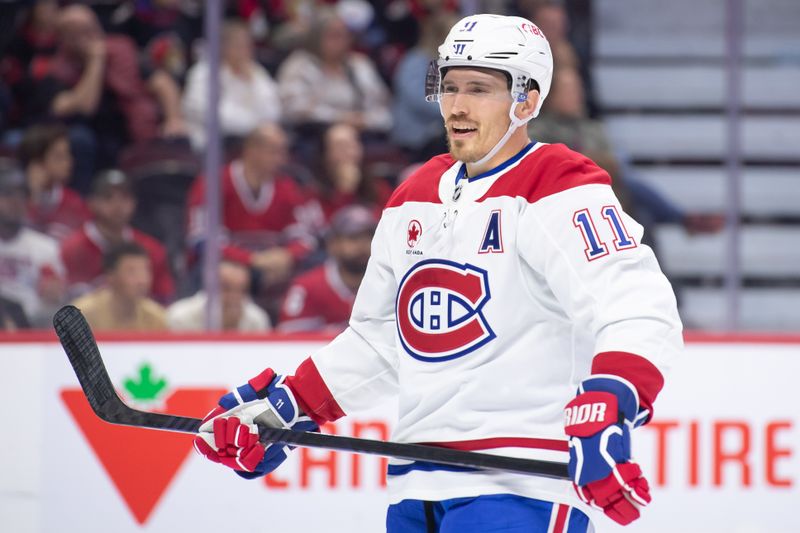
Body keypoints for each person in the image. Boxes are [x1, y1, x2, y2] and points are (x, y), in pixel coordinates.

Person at [191, 14, 682, 532]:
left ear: (528, 101)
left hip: (520, 487)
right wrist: (286, 409)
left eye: (479, 88)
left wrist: (613, 399)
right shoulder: (413, 194)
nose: (458, 106)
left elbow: (636, 307)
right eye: (449, 86)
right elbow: (383, 341)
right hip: (416, 484)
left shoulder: (556, 184)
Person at [60, 169, 175, 302]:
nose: (118, 205)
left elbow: (164, 301)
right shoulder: (71, 249)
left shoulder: (152, 250)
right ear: (91, 203)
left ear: (134, 203)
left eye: (125, 197)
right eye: (108, 197)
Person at [182, 19, 281, 151]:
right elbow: (210, 114)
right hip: (214, 148)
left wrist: (250, 82)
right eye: (239, 45)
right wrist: (254, 126)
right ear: (223, 47)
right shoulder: (203, 73)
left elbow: (274, 111)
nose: (245, 51)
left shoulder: (256, 72)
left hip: (255, 144)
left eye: (248, 45)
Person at [278, 204, 377, 334]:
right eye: (353, 238)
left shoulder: (390, 284)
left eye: (369, 237)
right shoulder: (307, 287)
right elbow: (289, 341)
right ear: (333, 244)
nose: (362, 245)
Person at [0, 160, 66, 327]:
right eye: (7, 194)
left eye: (21, 195)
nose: (16, 201)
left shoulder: (45, 247)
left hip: (31, 329)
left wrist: (53, 295)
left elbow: (55, 302)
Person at [72, 241, 167, 331]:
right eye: (132, 272)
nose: (142, 280)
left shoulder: (157, 317)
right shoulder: (83, 315)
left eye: (146, 271)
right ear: (110, 276)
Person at [18, 123, 89, 242]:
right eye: (59, 156)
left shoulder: (75, 203)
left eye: (68, 154)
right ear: (36, 162)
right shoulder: (13, 200)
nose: (69, 162)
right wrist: (34, 196)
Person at [167, 258, 271, 332]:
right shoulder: (181, 317)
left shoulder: (256, 320)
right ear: (210, 288)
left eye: (241, 290)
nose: (234, 297)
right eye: (227, 289)